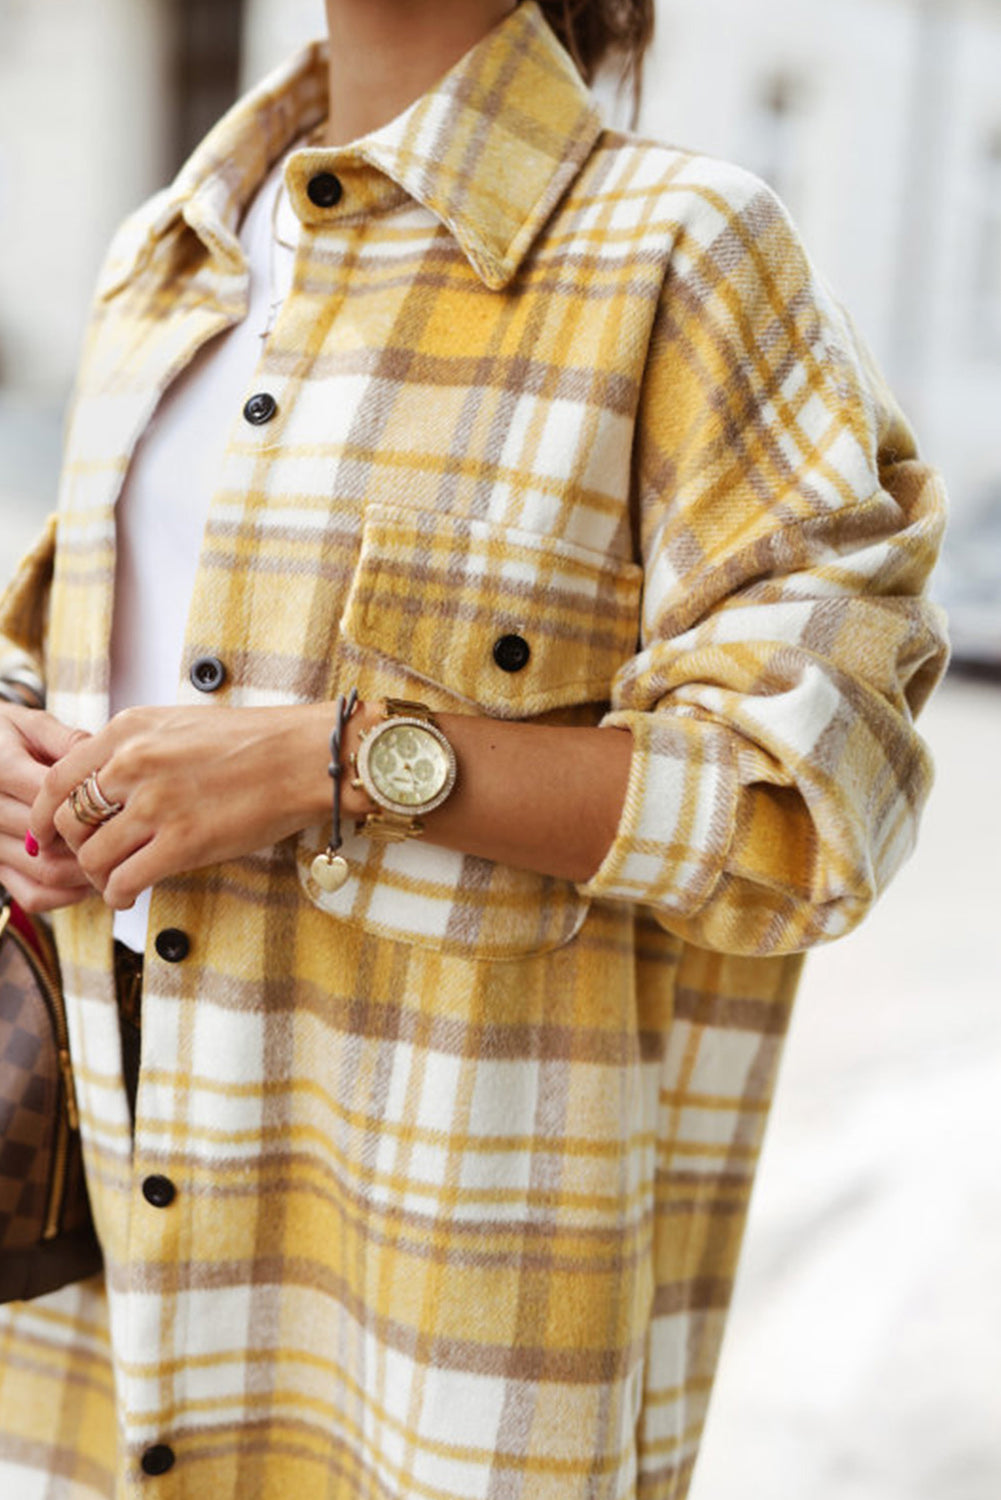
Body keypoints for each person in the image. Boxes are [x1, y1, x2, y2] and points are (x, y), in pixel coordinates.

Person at [0, 1, 948, 1496]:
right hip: (110, 1286)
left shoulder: (681, 254)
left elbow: (811, 803)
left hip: (448, 1339)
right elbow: (79, 630)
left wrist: (333, 762)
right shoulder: (168, 252)